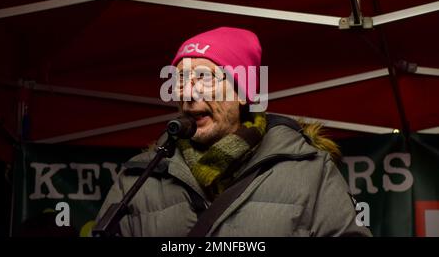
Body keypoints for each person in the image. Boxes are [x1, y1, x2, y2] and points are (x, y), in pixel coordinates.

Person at [96, 26, 372, 237]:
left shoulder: (309, 170)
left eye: (204, 78)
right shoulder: (139, 179)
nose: (189, 93)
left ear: (244, 92)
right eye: (180, 80)